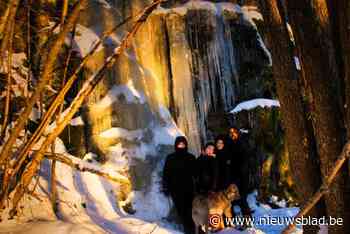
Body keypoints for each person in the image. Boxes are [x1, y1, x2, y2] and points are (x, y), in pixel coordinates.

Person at [162, 136, 196, 234]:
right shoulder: (170, 158)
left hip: (189, 189)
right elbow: (166, 173)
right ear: (176, 145)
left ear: (186, 145)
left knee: (190, 210)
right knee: (181, 211)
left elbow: (196, 173)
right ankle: (188, 229)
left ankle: (192, 229)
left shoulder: (191, 157)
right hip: (175, 190)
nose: (181, 146)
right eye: (179, 144)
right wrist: (165, 187)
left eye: (183, 144)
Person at [225, 127, 252, 218]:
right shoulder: (228, 144)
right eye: (230, 132)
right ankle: (232, 221)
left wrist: (243, 171)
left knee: (243, 199)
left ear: (237, 133)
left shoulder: (242, 143)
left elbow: (246, 159)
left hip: (242, 176)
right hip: (232, 177)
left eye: (234, 132)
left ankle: (247, 220)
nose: (232, 134)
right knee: (231, 199)